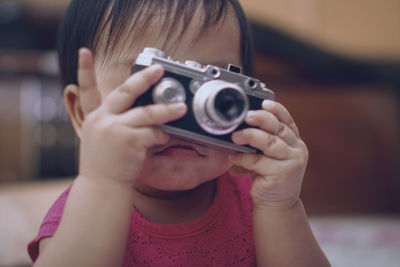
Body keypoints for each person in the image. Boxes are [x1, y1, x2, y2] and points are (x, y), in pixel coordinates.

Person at [28, 0, 330, 266]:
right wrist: (103, 182)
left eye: (213, 88)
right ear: (83, 112)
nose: (184, 110)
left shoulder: (260, 205)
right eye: (153, 83)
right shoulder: (80, 214)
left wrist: (282, 204)